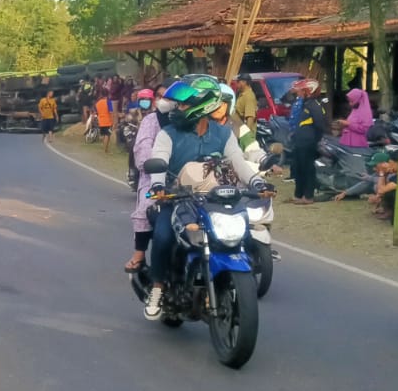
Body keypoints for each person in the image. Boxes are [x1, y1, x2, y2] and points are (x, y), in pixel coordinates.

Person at [143, 75, 272, 319]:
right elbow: (158, 163)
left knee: (241, 231)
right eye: (177, 104)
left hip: (215, 198)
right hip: (177, 198)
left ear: (202, 106)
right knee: (163, 236)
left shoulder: (223, 134)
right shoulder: (168, 134)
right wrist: (159, 187)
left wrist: (257, 182)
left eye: (182, 105)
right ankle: (158, 287)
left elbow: (238, 162)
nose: (176, 109)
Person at [126, 85, 173, 272]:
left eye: (168, 96)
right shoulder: (151, 120)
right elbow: (144, 146)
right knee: (146, 204)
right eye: (161, 96)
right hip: (153, 176)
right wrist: (149, 164)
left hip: (186, 179)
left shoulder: (187, 120)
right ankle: (139, 253)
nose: (164, 100)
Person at [286, 79, 326, 205]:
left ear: (308, 91)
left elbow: (320, 125)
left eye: (301, 91)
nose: (299, 93)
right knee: (298, 168)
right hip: (299, 142)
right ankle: (298, 195)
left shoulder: (314, 106)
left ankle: (308, 196)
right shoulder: (304, 104)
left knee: (308, 169)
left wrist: (315, 141)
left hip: (308, 143)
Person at [95, 88, 115, 154]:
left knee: (104, 135)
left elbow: (97, 112)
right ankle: (105, 150)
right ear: (108, 93)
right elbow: (111, 112)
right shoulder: (108, 101)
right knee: (107, 135)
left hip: (101, 121)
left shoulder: (98, 103)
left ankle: (105, 149)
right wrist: (113, 122)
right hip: (107, 121)